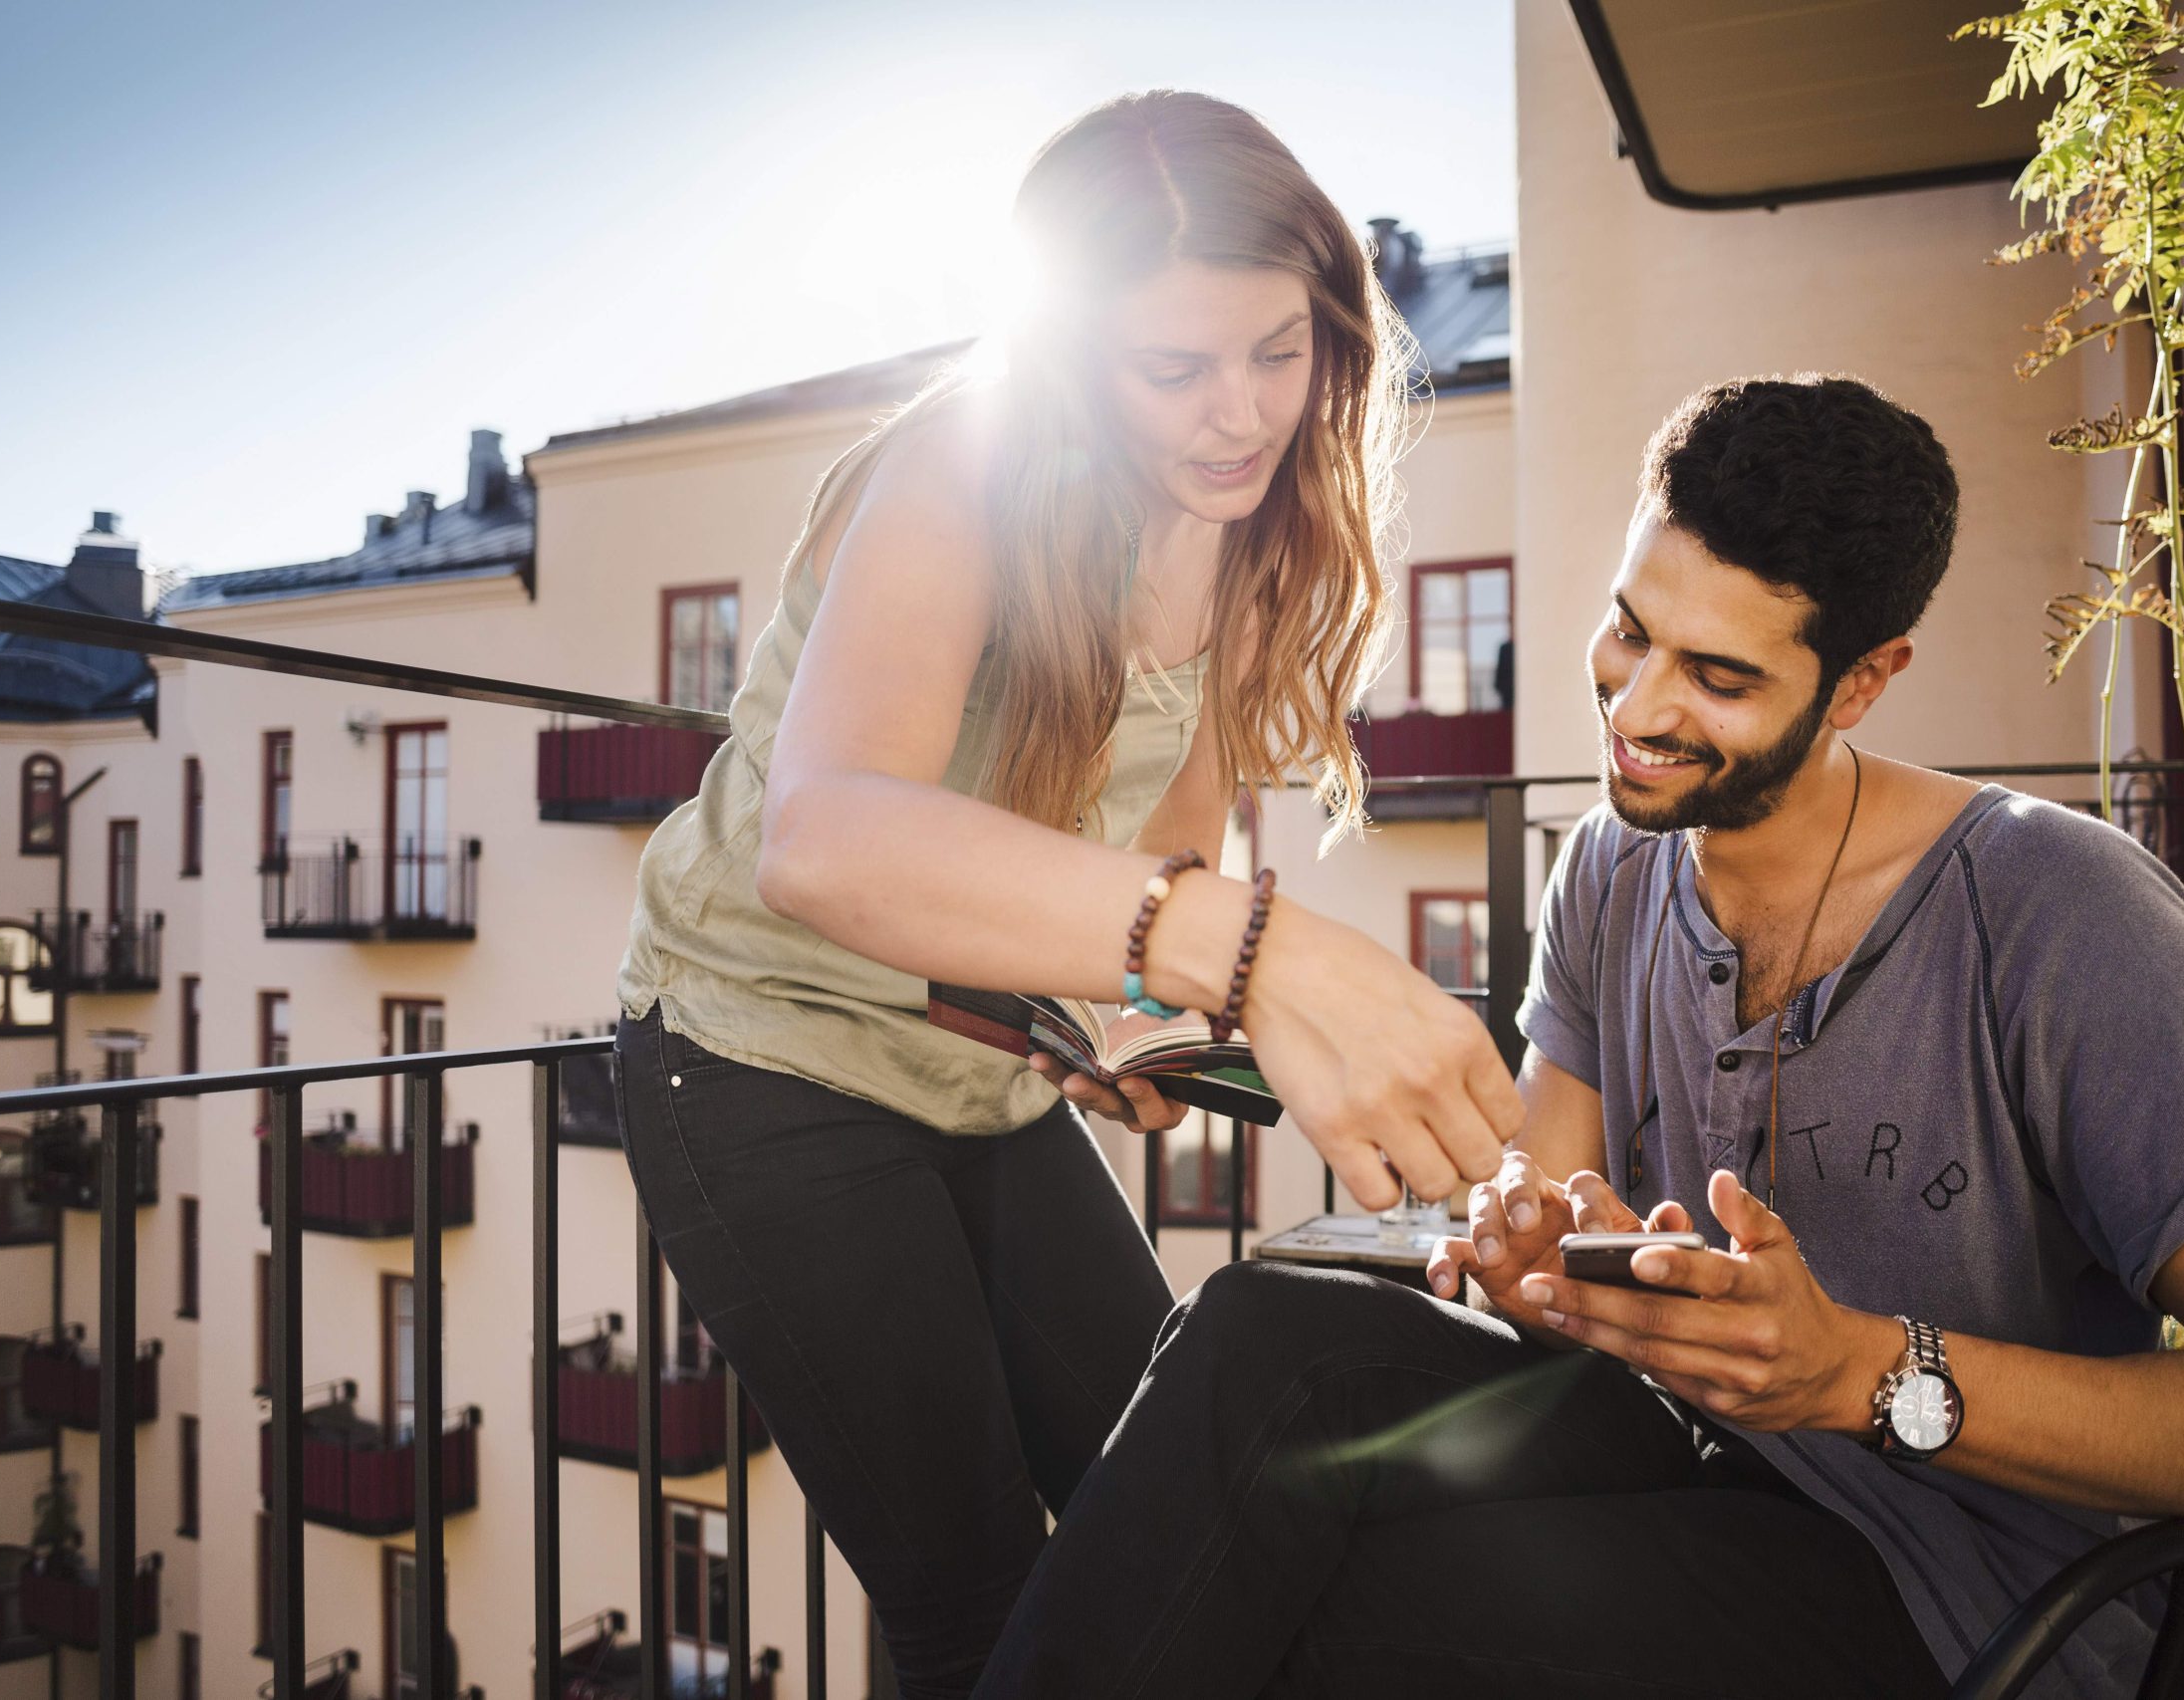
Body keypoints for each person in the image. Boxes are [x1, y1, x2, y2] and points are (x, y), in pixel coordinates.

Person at [971, 375, 2184, 1700]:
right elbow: (1542, 1198)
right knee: (1264, 1339)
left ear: (1860, 683)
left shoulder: (2062, 917)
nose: (1638, 708)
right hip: (1687, 1441)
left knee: (1351, 1610)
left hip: (1952, 1584)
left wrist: (1853, 1368)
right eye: (1629, 629)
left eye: (1719, 678)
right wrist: (1535, 1243)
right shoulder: (1614, 862)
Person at [609, 92, 1517, 1700]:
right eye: (1172, 367)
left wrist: (1140, 1021)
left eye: (1278, 351)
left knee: (1165, 1505)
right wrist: (1258, 955)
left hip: (986, 1069)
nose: (1236, 415)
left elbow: (1161, 848)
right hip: (761, 1056)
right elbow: (819, 839)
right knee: (974, 1600)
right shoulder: (964, 467)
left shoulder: (1242, 524)